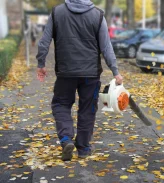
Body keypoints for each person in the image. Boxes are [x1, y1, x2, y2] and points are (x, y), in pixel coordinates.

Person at [36, 0, 123, 161]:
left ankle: (66, 139)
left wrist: (41, 63)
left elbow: (44, 42)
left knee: (61, 104)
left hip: (65, 72)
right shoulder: (97, 15)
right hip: (90, 74)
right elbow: (106, 47)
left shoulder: (57, 13)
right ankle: (83, 148)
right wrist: (115, 72)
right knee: (87, 109)